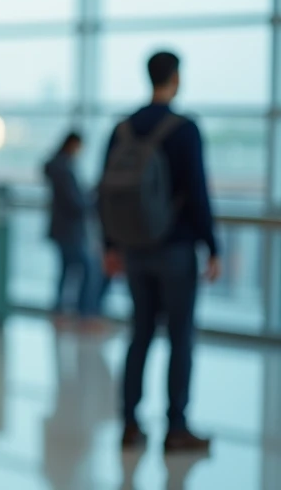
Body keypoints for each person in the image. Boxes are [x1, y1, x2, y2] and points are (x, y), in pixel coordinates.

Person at [102, 51, 221, 453]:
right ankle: (176, 428)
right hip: (176, 249)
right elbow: (199, 192)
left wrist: (109, 246)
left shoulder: (121, 129)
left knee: (140, 335)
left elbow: (104, 192)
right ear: (176, 78)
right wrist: (213, 246)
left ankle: (130, 424)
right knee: (180, 338)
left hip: (133, 249)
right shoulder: (185, 129)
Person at [45, 131, 99, 326]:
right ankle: (84, 313)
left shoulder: (59, 166)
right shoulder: (64, 168)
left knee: (66, 269)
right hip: (70, 229)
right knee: (86, 267)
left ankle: (61, 310)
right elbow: (74, 202)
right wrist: (92, 200)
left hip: (62, 228)